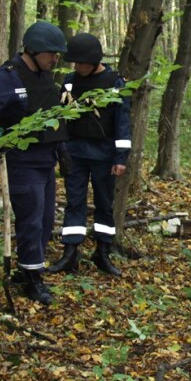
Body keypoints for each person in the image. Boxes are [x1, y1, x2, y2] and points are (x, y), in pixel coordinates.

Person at [0, 21, 69, 305]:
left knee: (46, 220)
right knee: (31, 222)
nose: (55, 59)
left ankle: (28, 267)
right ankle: (32, 279)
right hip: (22, 163)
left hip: (46, 161)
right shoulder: (9, 77)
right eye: (51, 53)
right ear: (34, 50)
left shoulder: (44, 78)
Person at [48, 33, 131, 276]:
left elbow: (122, 121)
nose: (76, 67)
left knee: (104, 205)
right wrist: (60, 148)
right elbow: (60, 117)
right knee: (74, 203)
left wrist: (120, 157)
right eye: (74, 63)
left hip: (104, 155)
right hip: (75, 153)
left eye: (81, 63)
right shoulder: (70, 81)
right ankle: (70, 253)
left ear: (94, 61)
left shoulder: (114, 82)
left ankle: (102, 252)